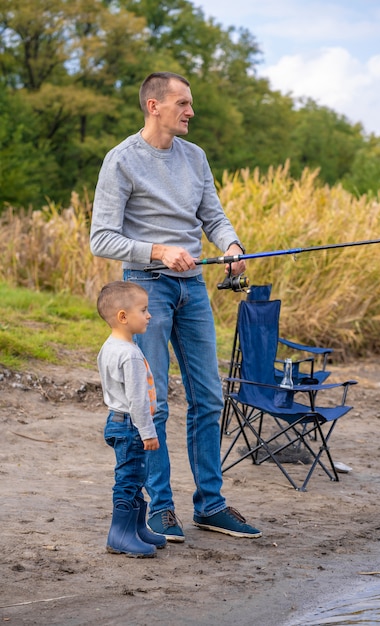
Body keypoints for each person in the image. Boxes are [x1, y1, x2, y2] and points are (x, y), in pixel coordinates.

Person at [91, 71, 262, 542]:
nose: (191, 111)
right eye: (183, 103)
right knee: (155, 402)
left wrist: (231, 246)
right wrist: (159, 251)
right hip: (146, 289)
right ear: (154, 106)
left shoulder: (196, 157)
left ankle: (210, 505)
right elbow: (101, 238)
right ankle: (159, 509)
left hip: (193, 290)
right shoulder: (122, 160)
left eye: (190, 104)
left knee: (208, 397)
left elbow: (214, 215)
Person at [96, 280, 167, 557]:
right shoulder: (131, 355)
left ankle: (137, 527)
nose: (149, 315)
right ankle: (120, 535)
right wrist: (148, 432)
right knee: (128, 479)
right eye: (144, 310)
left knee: (135, 476)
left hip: (117, 420)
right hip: (131, 425)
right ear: (123, 317)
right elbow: (137, 400)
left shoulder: (109, 347)